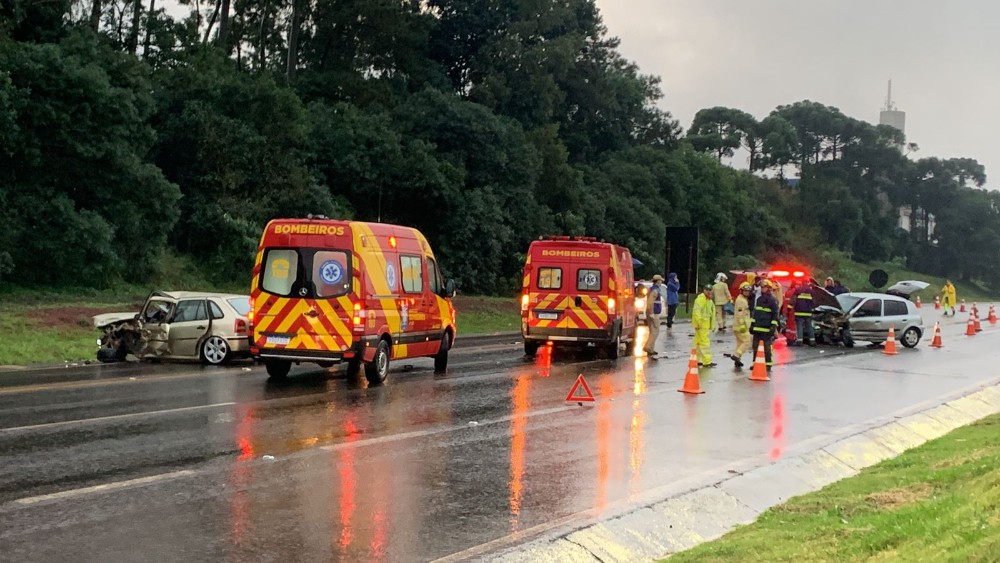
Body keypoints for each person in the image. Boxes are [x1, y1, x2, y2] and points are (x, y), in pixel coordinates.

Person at [751, 280, 780, 371]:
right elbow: (756, 313)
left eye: (764, 287)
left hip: (767, 328)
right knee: (755, 347)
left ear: (769, 288)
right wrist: (752, 324)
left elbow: (775, 314)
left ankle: (768, 364)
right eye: (762, 287)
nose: (762, 289)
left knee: (767, 348)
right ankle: (755, 364)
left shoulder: (772, 300)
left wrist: (773, 326)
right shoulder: (759, 299)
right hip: (757, 327)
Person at [725, 282, 753, 369]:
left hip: (739, 325)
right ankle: (736, 355)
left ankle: (737, 360)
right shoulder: (741, 300)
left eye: (748, 291)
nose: (747, 292)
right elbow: (740, 314)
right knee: (747, 341)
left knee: (740, 343)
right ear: (741, 291)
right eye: (745, 291)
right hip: (741, 326)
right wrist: (742, 325)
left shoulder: (743, 299)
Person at [692, 284, 717, 367]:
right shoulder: (700, 299)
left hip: (705, 325)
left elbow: (711, 314)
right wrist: (698, 322)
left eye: (710, 290)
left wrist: (712, 325)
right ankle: (707, 361)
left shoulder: (709, 300)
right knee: (705, 343)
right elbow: (697, 312)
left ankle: (696, 360)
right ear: (704, 290)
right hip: (701, 325)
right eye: (707, 290)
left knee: (698, 343)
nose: (709, 292)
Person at [643, 274, 665, 358]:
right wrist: (651, 312)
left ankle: (651, 349)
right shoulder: (655, 290)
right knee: (655, 331)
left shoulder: (652, 289)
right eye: (660, 281)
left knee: (652, 331)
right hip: (654, 313)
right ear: (658, 281)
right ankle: (648, 347)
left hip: (651, 312)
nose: (661, 282)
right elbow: (650, 302)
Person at [792, 280, 815, 346]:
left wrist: (789, 308)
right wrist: (813, 309)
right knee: (809, 327)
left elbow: (793, 300)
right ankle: (812, 341)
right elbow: (814, 301)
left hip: (799, 312)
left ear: (802, 283)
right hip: (808, 312)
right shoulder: (811, 291)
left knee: (799, 327)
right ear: (808, 283)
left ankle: (799, 341)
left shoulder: (798, 290)